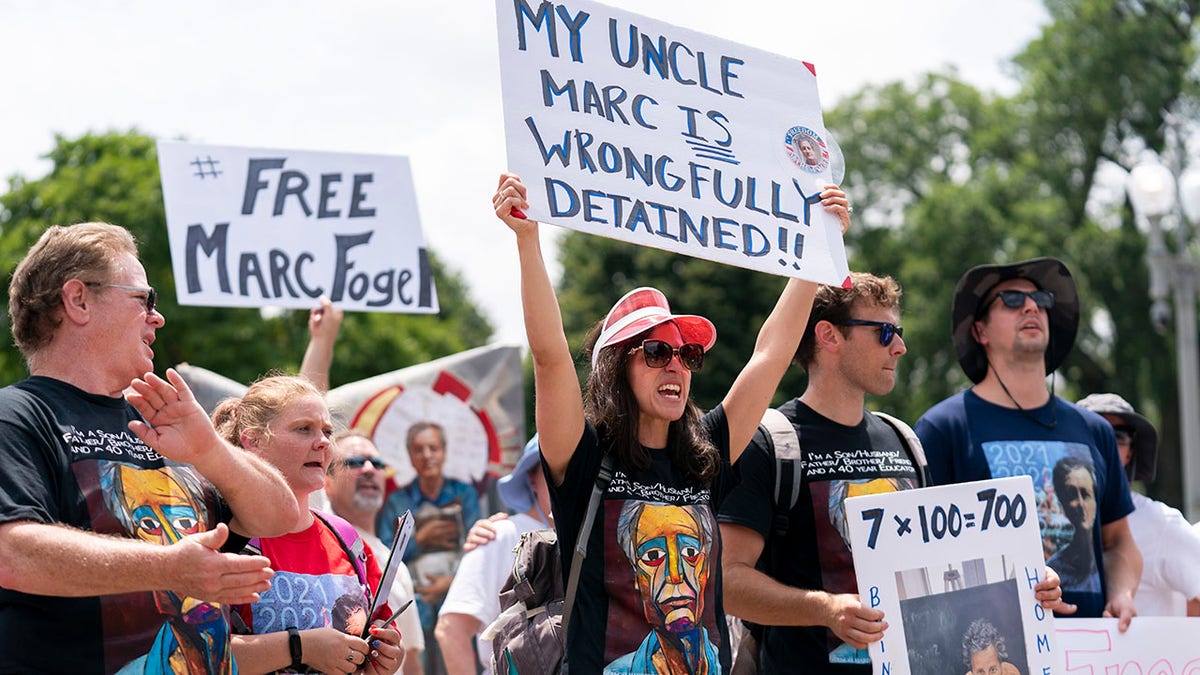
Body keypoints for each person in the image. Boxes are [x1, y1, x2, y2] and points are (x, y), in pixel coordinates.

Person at [493, 171, 850, 671]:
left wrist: (814, 253)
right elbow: (551, 357)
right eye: (657, 351)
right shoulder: (585, 457)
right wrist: (528, 242)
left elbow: (769, 355)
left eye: (687, 355)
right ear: (616, 369)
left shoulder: (704, 454)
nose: (676, 365)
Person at [718, 273, 1068, 674]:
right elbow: (726, 582)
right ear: (829, 336)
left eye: (897, 332)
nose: (899, 347)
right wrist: (825, 609)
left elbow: (945, 568)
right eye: (884, 332)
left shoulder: (905, 440)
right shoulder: (769, 441)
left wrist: (1028, 580)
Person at [0, 222, 299, 673]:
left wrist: (210, 450)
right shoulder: (17, 415)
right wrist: (169, 567)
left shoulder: (164, 422)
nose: (157, 317)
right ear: (78, 300)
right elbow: (12, 553)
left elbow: (281, 517)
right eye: (145, 299)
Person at [914, 257, 1141, 630]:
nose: (1032, 306)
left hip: (1092, 652)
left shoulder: (1094, 430)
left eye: (1040, 299)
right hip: (994, 655)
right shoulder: (943, 429)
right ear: (980, 332)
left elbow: (1119, 543)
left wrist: (1123, 593)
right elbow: (925, 558)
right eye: (1012, 301)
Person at [215, 375, 405, 674]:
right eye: (303, 429)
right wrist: (300, 648)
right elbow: (195, 652)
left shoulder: (346, 537)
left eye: (327, 431)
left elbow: (382, 628)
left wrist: (387, 652)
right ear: (252, 441)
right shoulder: (222, 537)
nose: (323, 442)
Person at [435, 435, 553, 675]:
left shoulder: (599, 538)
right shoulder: (501, 535)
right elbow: (451, 629)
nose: (568, 476)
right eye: (554, 466)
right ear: (532, 478)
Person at [1076, 393, 1200, 616]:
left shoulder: (1158, 523)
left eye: (1119, 436)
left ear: (1130, 452)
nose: (1106, 444)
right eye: (1094, 432)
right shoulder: (1050, 520)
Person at [377, 420, 482, 673]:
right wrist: (418, 539)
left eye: (433, 448)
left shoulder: (465, 494)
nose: (427, 456)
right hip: (415, 603)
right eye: (418, 449)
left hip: (458, 596)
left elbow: (477, 548)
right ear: (410, 456)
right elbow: (383, 557)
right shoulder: (396, 502)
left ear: (443, 452)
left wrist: (450, 582)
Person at [326, 431, 427, 673]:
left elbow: (410, 657)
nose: (369, 469)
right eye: (355, 462)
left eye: (378, 464)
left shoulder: (397, 566)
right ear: (326, 483)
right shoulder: (320, 545)